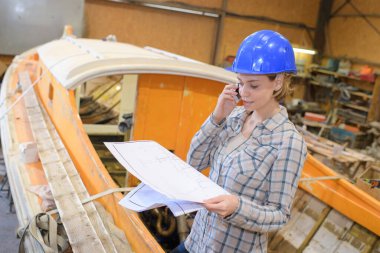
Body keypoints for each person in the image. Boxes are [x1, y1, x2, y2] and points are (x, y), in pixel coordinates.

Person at [171, 30, 307, 253]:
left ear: (278, 81)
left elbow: (279, 215)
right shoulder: (233, 118)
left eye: (253, 85)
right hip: (197, 242)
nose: (244, 93)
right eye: (240, 83)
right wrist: (217, 117)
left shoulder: (289, 142)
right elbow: (194, 162)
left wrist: (237, 207)